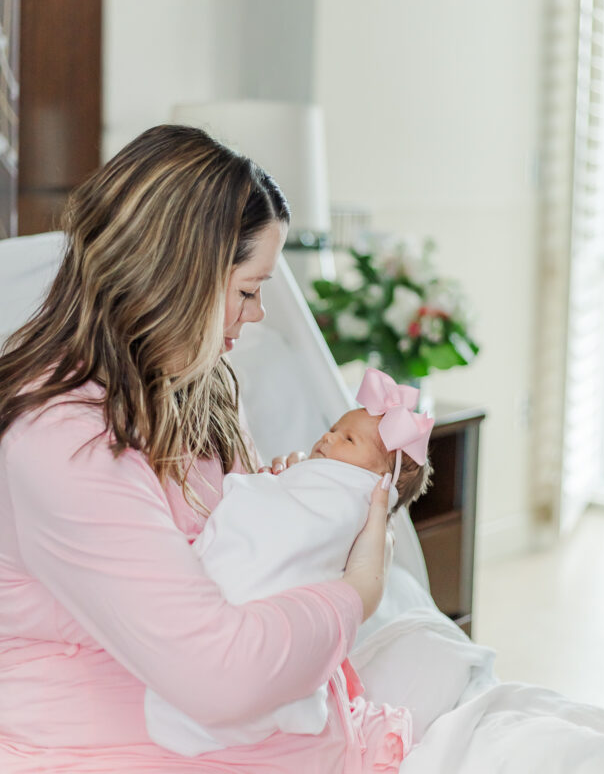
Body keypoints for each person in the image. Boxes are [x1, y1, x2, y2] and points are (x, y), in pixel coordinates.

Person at [0, 125, 404, 774]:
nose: (259, 314)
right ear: (174, 274)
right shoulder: (61, 438)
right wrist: (361, 587)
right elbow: (221, 675)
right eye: (247, 290)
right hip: (93, 747)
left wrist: (281, 511)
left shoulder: (198, 390)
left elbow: (244, 575)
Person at [145, 368, 433, 757]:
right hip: (212, 639)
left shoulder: (358, 501)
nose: (327, 437)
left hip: (245, 650)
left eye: (347, 439)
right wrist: (275, 485)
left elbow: (309, 534)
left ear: (383, 477)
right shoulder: (312, 475)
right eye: (333, 428)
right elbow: (268, 511)